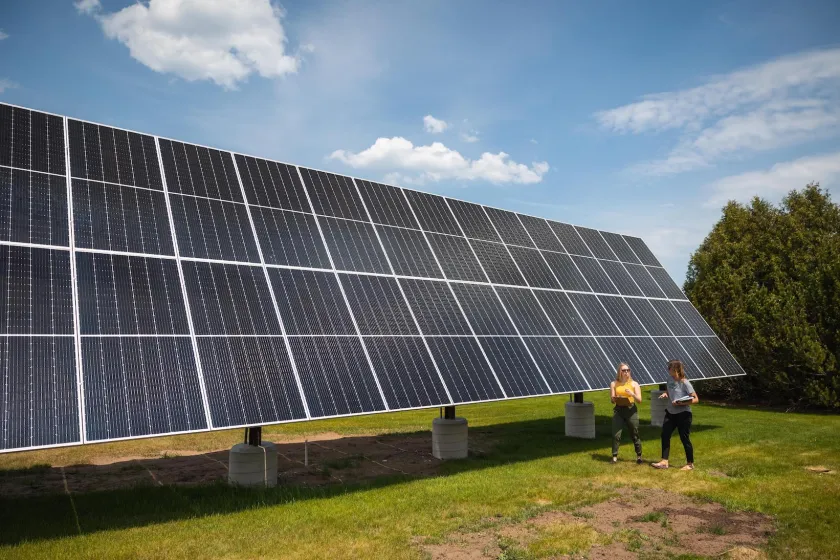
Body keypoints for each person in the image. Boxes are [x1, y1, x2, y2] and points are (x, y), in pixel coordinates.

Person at [652, 359, 699, 470]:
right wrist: (665, 393)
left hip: (684, 414)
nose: (668, 370)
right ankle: (664, 461)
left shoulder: (685, 383)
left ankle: (690, 464)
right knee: (665, 435)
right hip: (670, 412)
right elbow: (670, 391)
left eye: (670, 368)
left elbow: (696, 399)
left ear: (676, 369)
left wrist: (681, 403)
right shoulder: (669, 379)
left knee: (684, 438)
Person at [609, 362, 643, 464]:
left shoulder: (634, 384)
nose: (626, 372)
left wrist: (631, 393)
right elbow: (612, 400)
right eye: (624, 370)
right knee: (616, 434)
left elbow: (639, 400)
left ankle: (639, 456)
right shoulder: (614, 384)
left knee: (634, 432)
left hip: (631, 410)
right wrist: (614, 398)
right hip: (619, 409)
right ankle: (614, 457)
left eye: (628, 370)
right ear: (619, 372)